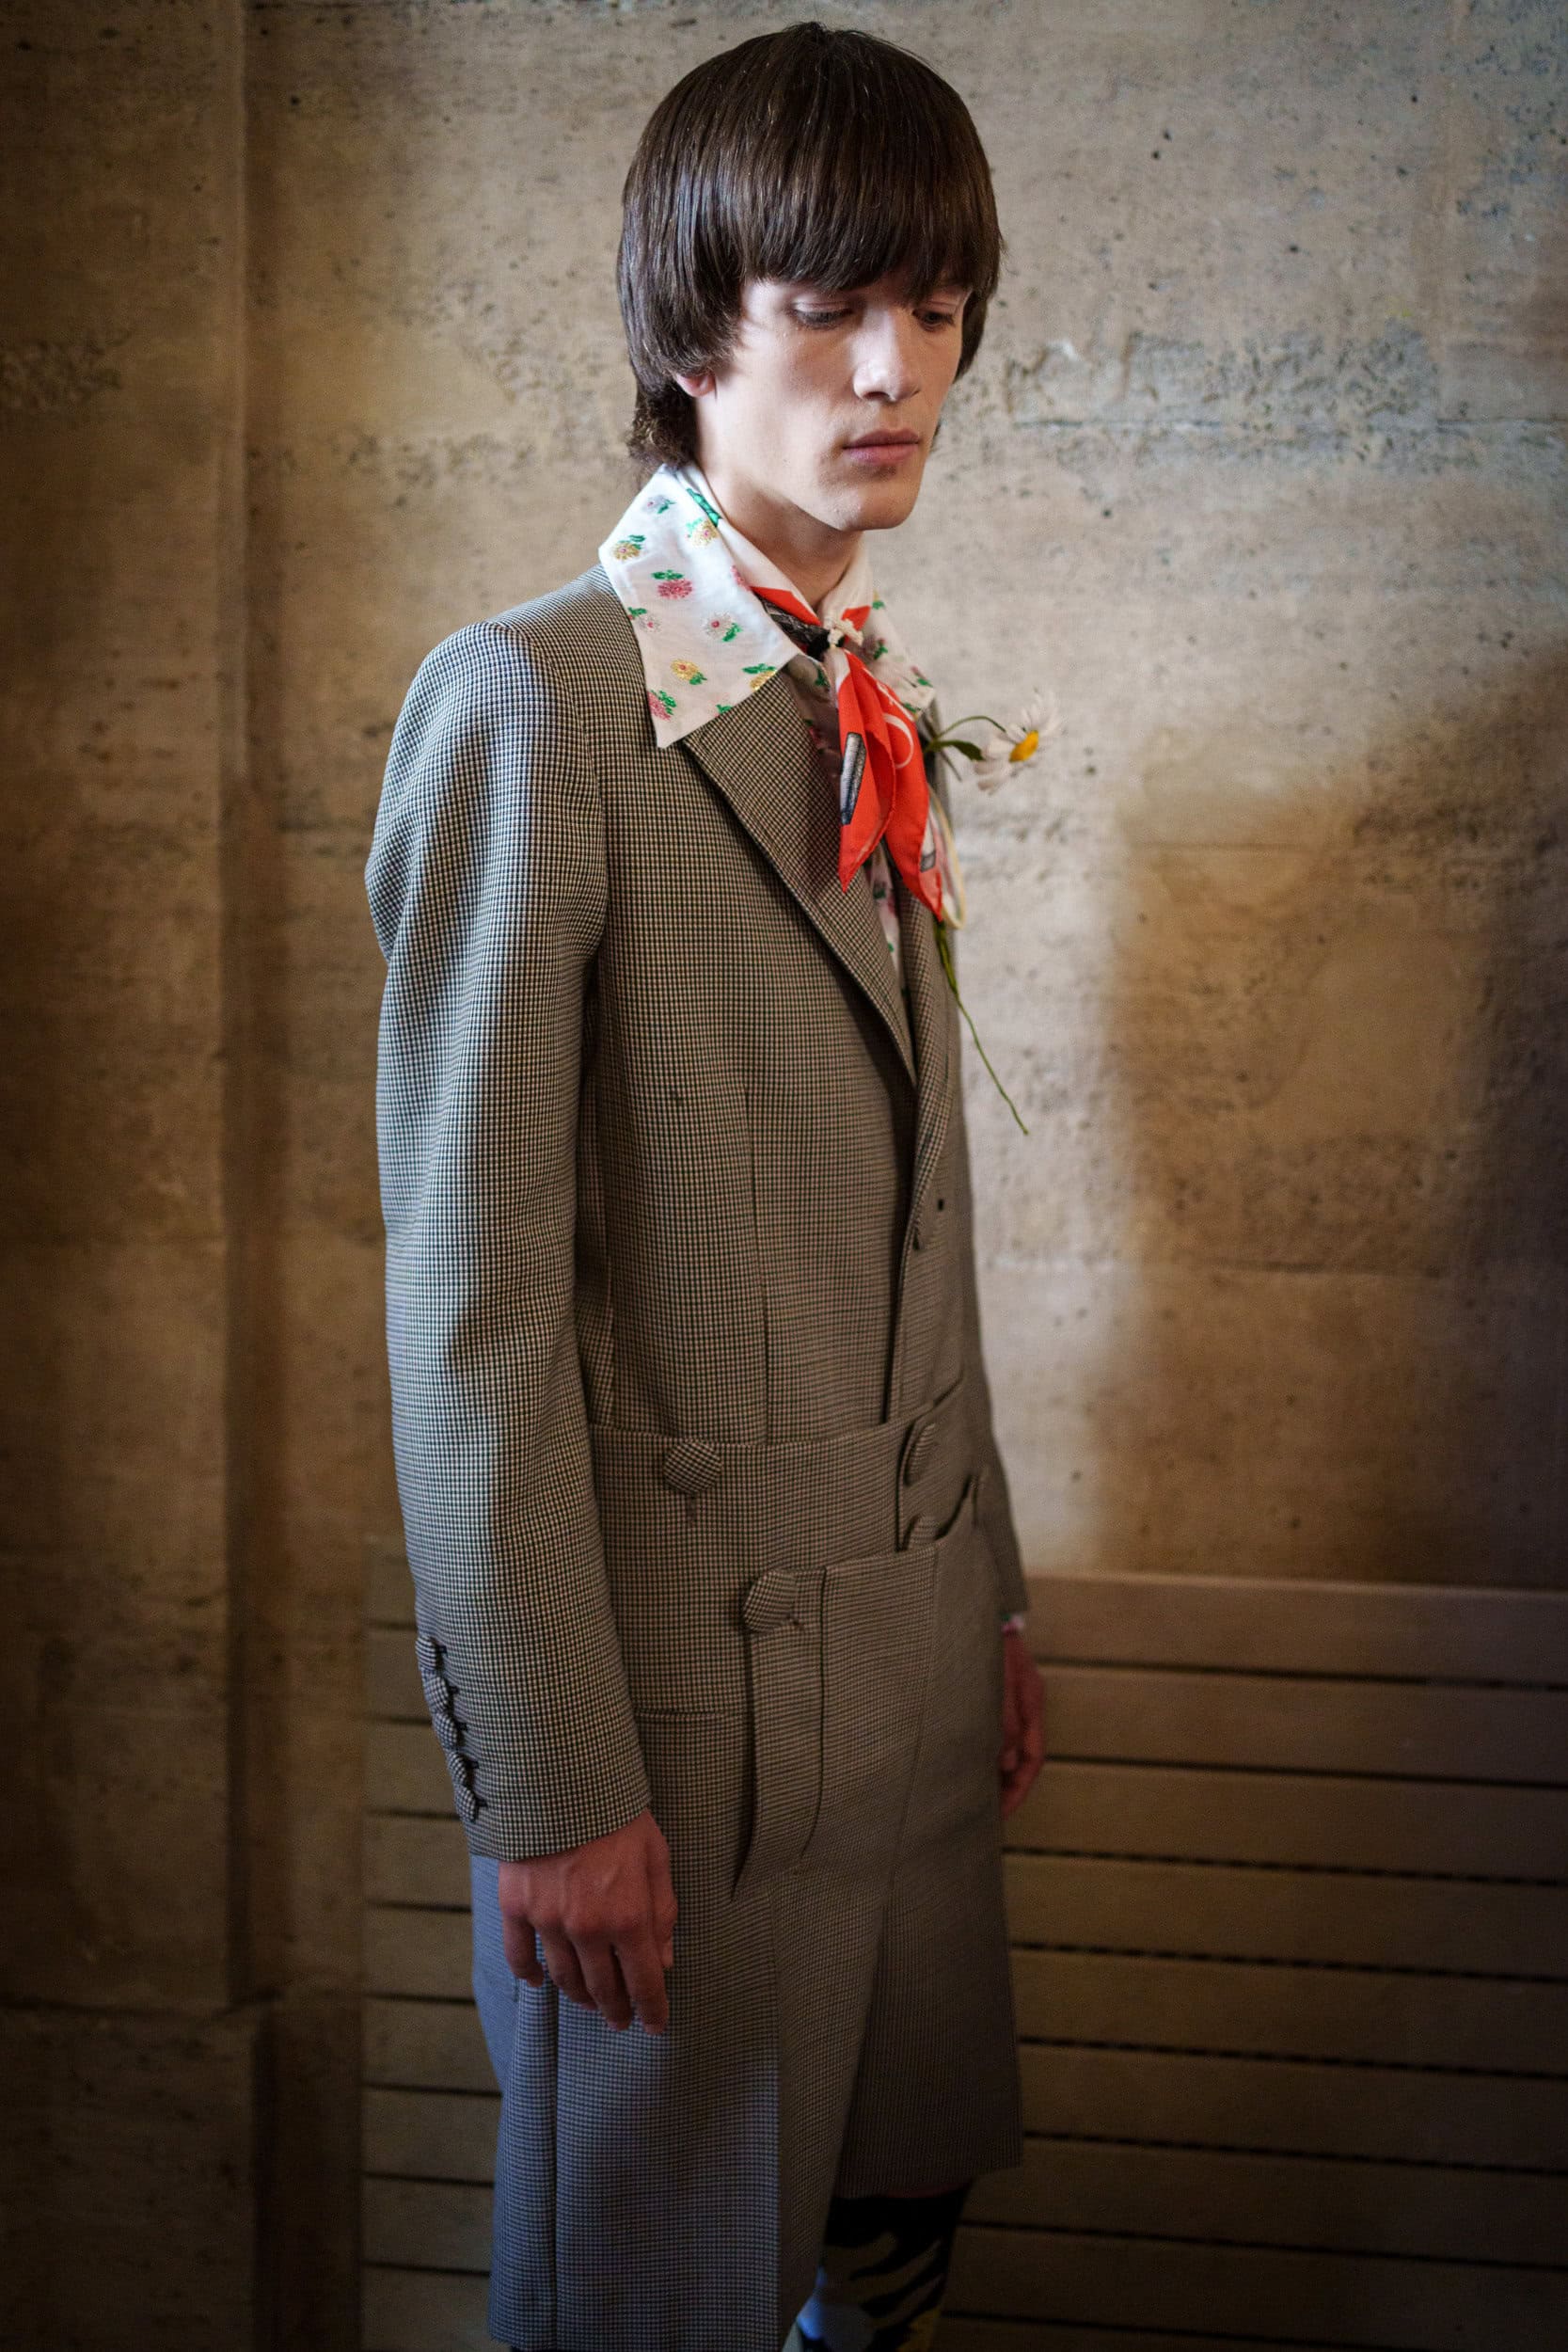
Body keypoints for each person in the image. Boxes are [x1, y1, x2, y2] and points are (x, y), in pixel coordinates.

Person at [366, 22, 1046, 2352]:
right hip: (680, 1734)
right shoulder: (532, 706)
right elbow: (471, 1308)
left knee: (893, 2255)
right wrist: (548, 1782)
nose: (895, 369)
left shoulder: (859, 693)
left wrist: (989, 1595)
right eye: (827, 306)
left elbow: (916, 1217)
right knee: (650, 2302)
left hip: (908, 1679)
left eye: (935, 307)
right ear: (687, 332)